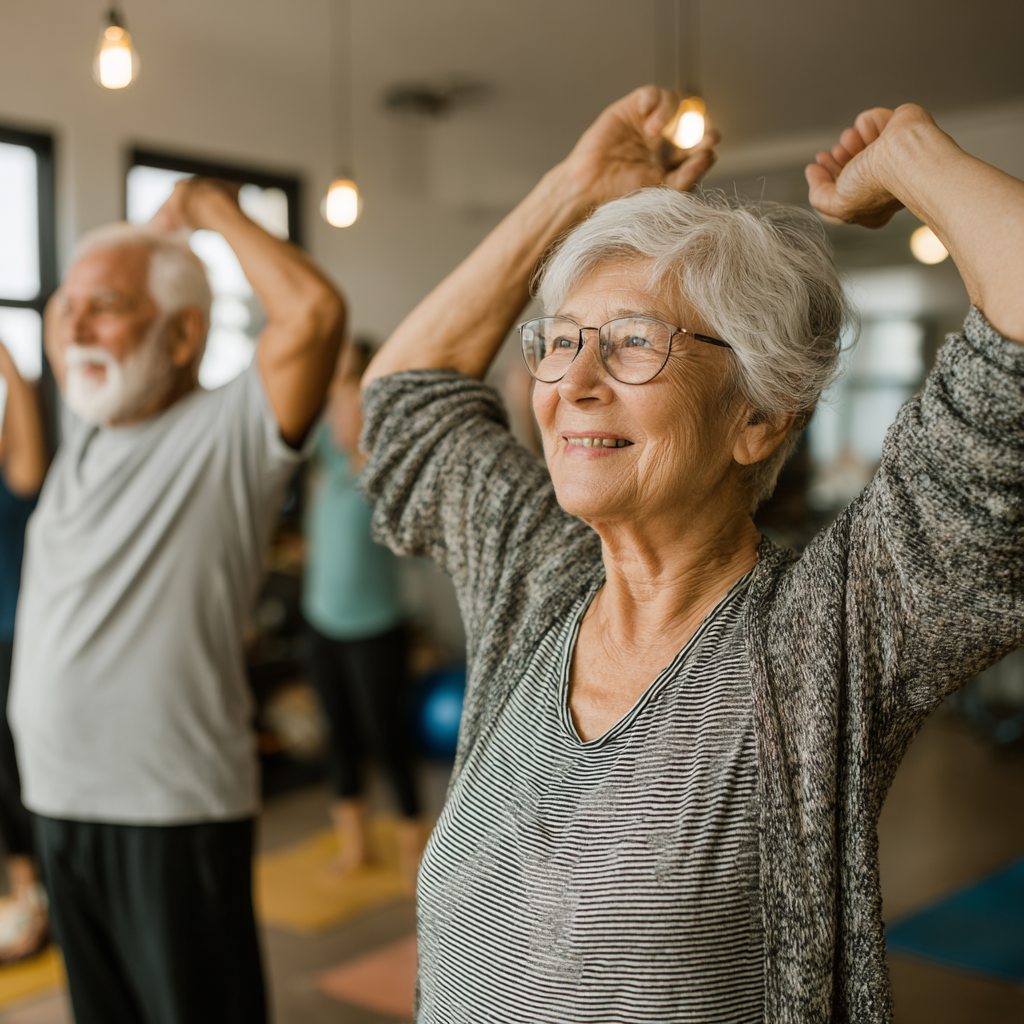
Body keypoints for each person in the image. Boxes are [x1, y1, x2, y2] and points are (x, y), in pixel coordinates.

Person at [358, 85, 1024, 1023]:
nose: (574, 384)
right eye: (560, 342)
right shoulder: (539, 580)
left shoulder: (820, 639)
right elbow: (406, 404)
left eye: (634, 345)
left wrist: (913, 159)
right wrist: (572, 190)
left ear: (756, 416)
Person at [9, 179, 344, 1024]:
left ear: (185, 333)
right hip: (59, 798)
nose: (76, 327)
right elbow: (70, 351)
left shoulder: (230, 433)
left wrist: (208, 210)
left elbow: (310, 316)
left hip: (167, 808)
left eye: (107, 307)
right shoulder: (90, 425)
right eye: (66, 308)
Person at [302, 339, 422, 885]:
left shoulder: (384, 476)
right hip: (321, 623)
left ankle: (415, 848)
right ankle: (355, 846)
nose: (337, 414)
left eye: (349, 406)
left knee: (387, 736)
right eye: (335, 407)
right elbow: (316, 399)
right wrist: (337, 368)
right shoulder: (328, 461)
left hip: (375, 626)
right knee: (339, 736)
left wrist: (364, 379)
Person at [0, 341, 47, 961]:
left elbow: (28, 457)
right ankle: (23, 895)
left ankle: (37, 898)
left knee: (16, 777)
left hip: (13, 641)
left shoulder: (12, 485)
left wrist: (9, 363)